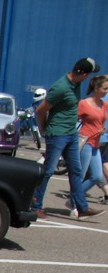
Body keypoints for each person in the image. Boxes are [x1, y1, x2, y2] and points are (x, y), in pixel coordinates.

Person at [33, 57, 102, 219]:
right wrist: (43, 128)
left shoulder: (76, 84)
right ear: (84, 74)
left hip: (71, 133)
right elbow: (41, 110)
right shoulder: (61, 87)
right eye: (90, 74)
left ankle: (81, 207)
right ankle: (35, 205)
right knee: (48, 170)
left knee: (76, 170)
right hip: (57, 134)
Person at [78, 74, 108, 204]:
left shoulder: (104, 105)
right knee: (80, 175)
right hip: (86, 141)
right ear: (96, 88)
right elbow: (73, 119)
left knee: (96, 176)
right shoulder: (84, 103)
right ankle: (76, 202)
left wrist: (101, 130)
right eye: (105, 88)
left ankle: (75, 198)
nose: (107, 91)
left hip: (96, 143)